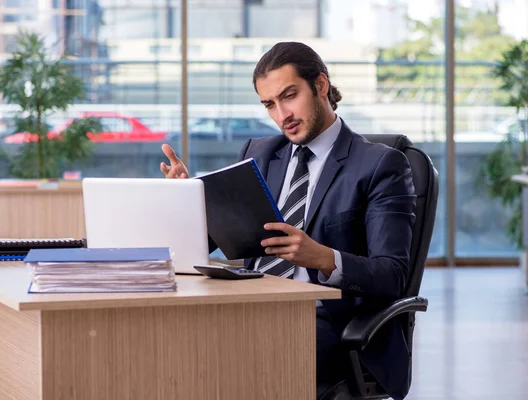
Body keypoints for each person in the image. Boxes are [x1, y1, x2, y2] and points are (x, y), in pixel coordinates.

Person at [160, 42, 416, 400]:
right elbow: (211, 242)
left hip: (325, 320)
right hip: (250, 307)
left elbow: (392, 275)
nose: (282, 115)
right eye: (269, 104)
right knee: (164, 341)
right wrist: (188, 203)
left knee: (229, 355)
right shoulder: (260, 155)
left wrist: (323, 258)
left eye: (289, 96)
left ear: (321, 85)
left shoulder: (379, 165)